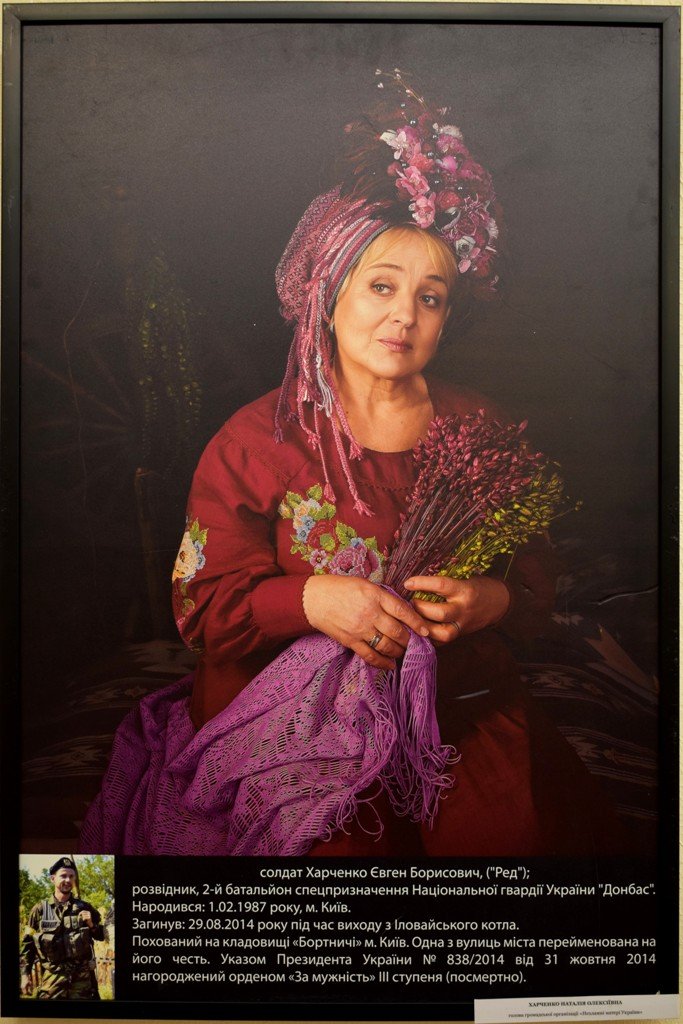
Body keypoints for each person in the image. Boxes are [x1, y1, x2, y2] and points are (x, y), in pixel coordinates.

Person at [81, 69, 624, 857]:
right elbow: (202, 606)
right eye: (380, 287)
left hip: (450, 702)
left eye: (429, 297)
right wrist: (312, 599)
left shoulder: (478, 426)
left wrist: (492, 599)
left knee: (507, 839)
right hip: (289, 711)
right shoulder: (256, 441)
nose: (403, 315)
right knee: (335, 855)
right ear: (326, 297)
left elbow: (536, 571)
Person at [20, 857, 103, 1000]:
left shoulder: (85, 907)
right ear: (52, 879)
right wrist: (24, 975)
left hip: (82, 983)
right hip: (52, 981)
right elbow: (28, 945)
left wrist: (91, 924)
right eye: (63, 876)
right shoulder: (39, 910)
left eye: (71, 876)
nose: (68, 880)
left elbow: (101, 935)